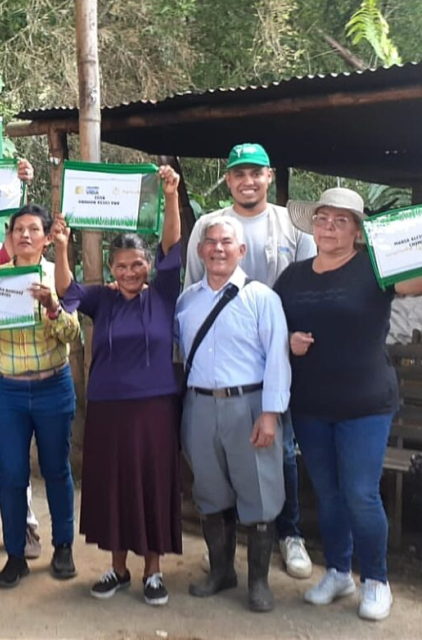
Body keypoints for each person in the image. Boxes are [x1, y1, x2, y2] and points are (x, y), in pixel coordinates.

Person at [275, 187, 422, 621]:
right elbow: (270, 328)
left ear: (357, 230)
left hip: (366, 404)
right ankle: (338, 571)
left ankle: (376, 578)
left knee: (360, 495)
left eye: (340, 220)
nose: (329, 227)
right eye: (322, 218)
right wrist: (286, 341)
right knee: (329, 496)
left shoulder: (376, 268)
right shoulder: (292, 276)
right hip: (311, 405)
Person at [184, 143, 314, 579]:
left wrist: (296, 333)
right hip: (226, 358)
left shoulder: (291, 225)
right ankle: (224, 556)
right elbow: (193, 289)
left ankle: (289, 534)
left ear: (269, 176)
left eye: (255, 173)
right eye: (239, 173)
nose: (247, 180)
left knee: (279, 448)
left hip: (281, 348)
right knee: (221, 461)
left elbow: (310, 284)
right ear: (228, 179)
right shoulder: (209, 225)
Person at [54, 166, 183, 605]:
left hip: (154, 409)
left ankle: (153, 571)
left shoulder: (163, 293)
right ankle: (116, 568)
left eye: (137, 264)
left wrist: (169, 196)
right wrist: (60, 246)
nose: (130, 272)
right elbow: (65, 287)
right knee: (114, 485)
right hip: (108, 407)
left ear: (148, 265)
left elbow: (172, 243)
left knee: (150, 483)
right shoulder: (101, 298)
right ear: (110, 268)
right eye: (122, 266)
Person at [0, 203, 81, 588]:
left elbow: (75, 335)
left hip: (53, 386)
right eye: (18, 229)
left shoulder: (58, 277)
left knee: (57, 470)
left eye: (33, 229)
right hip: (7, 391)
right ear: (9, 236)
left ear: (45, 238)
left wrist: (53, 307)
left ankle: (63, 547)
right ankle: (16, 555)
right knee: (12, 476)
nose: (25, 235)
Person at [176, 215, 290, 613]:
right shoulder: (187, 300)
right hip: (200, 405)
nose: (218, 248)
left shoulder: (261, 298)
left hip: (250, 405)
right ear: (201, 250)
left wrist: (271, 414)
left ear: (241, 251)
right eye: (211, 242)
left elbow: (277, 358)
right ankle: (221, 571)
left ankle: (259, 582)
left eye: (227, 242)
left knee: (259, 492)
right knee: (209, 492)